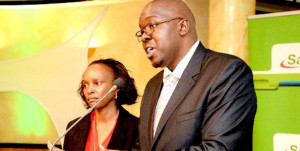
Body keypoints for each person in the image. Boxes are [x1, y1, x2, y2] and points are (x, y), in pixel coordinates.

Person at [134, 0, 257, 150]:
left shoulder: (228, 72)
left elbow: (218, 147)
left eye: (152, 25)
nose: (144, 37)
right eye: (141, 31)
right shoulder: (152, 85)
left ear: (183, 27)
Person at [48, 58, 139, 151]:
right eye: (85, 85)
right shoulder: (74, 127)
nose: (89, 90)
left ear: (116, 88)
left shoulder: (137, 127)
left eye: (97, 83)